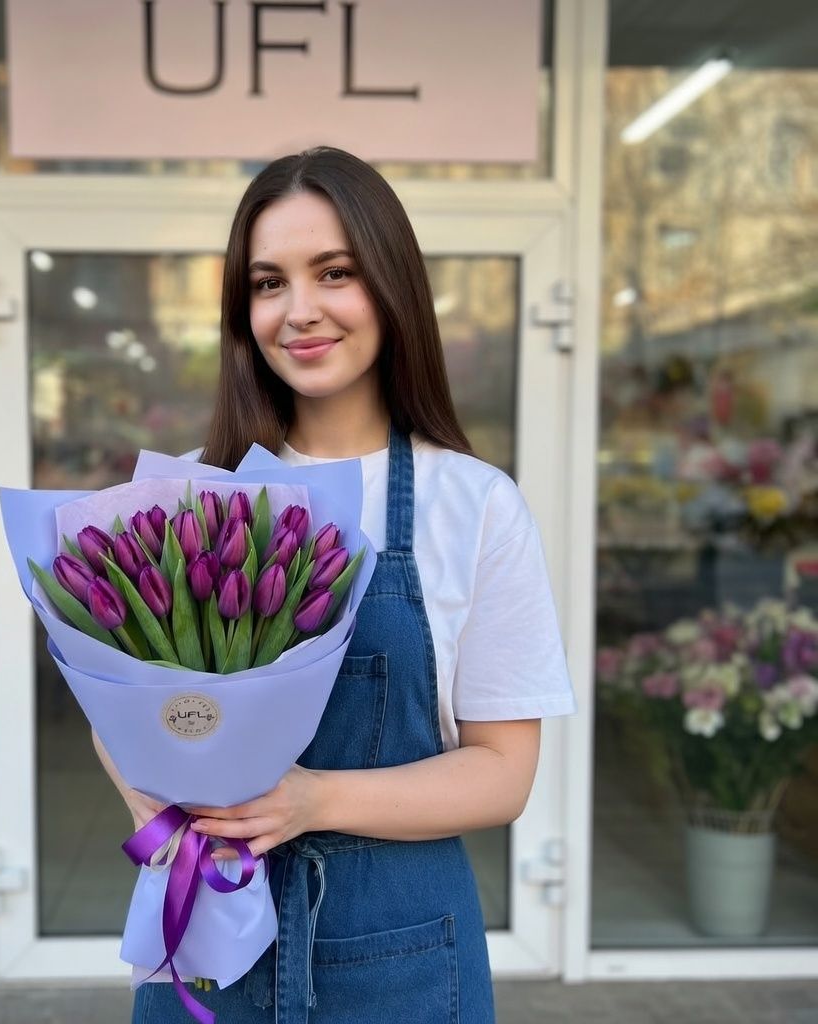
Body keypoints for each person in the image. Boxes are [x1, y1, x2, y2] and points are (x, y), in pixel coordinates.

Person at [92, 146, 576, 1023]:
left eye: (334, 273)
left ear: (391, 285)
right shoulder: (193, 494)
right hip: (210, 937)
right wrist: (156, 806)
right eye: (268, 283)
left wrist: (313, 799)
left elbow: (504, 774)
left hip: (401, 954)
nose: (300, 310)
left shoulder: (473, 503)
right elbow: (118, 710)